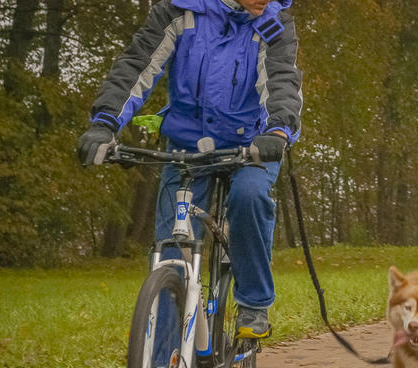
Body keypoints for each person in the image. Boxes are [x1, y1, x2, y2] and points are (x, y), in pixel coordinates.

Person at [77, 0, 302, 339]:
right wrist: (105, 123)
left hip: (253, 145)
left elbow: (282, 81)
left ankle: (253, 304)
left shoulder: (273, 24)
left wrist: (278, 130)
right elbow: (137, 65)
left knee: (249, 196)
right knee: (171, 252)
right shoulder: (180, 11)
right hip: (187, 144)